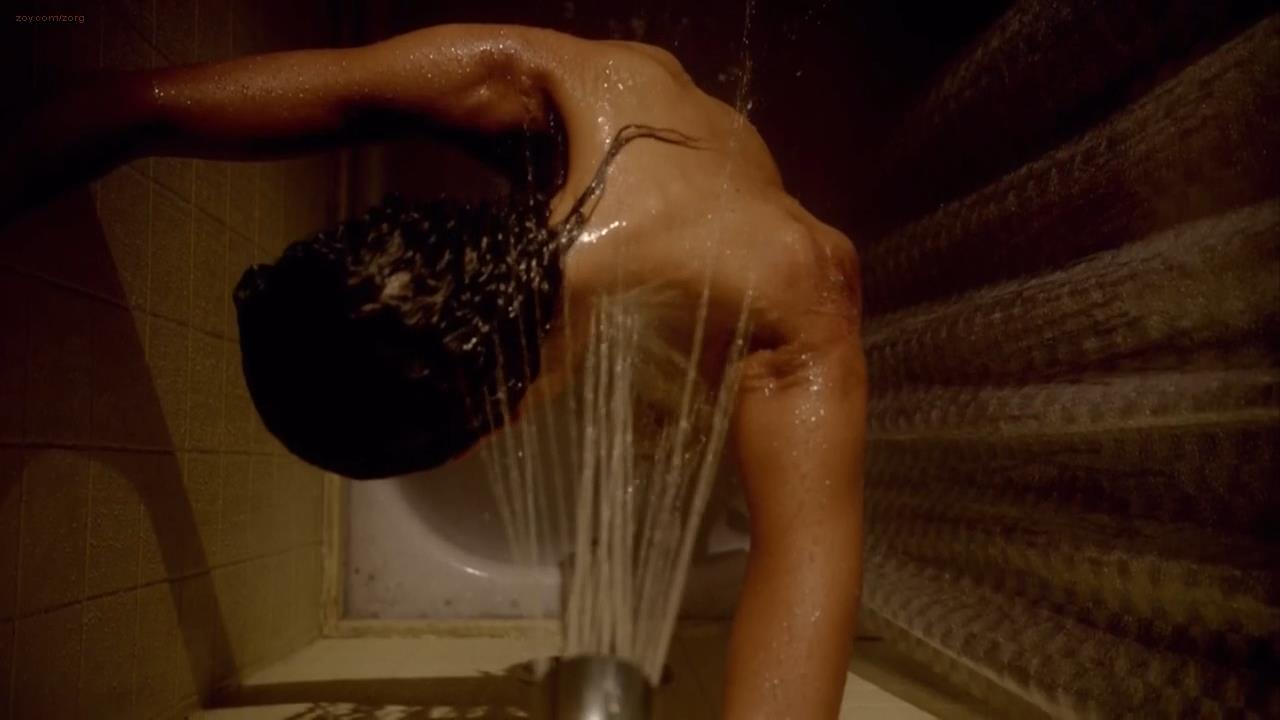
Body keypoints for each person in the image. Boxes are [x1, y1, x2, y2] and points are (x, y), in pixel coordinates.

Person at [3, 24, 866, 719]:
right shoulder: (559, 81)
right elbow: (139, 106)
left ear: (486, 436)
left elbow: (799, 590)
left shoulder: (797, 320)